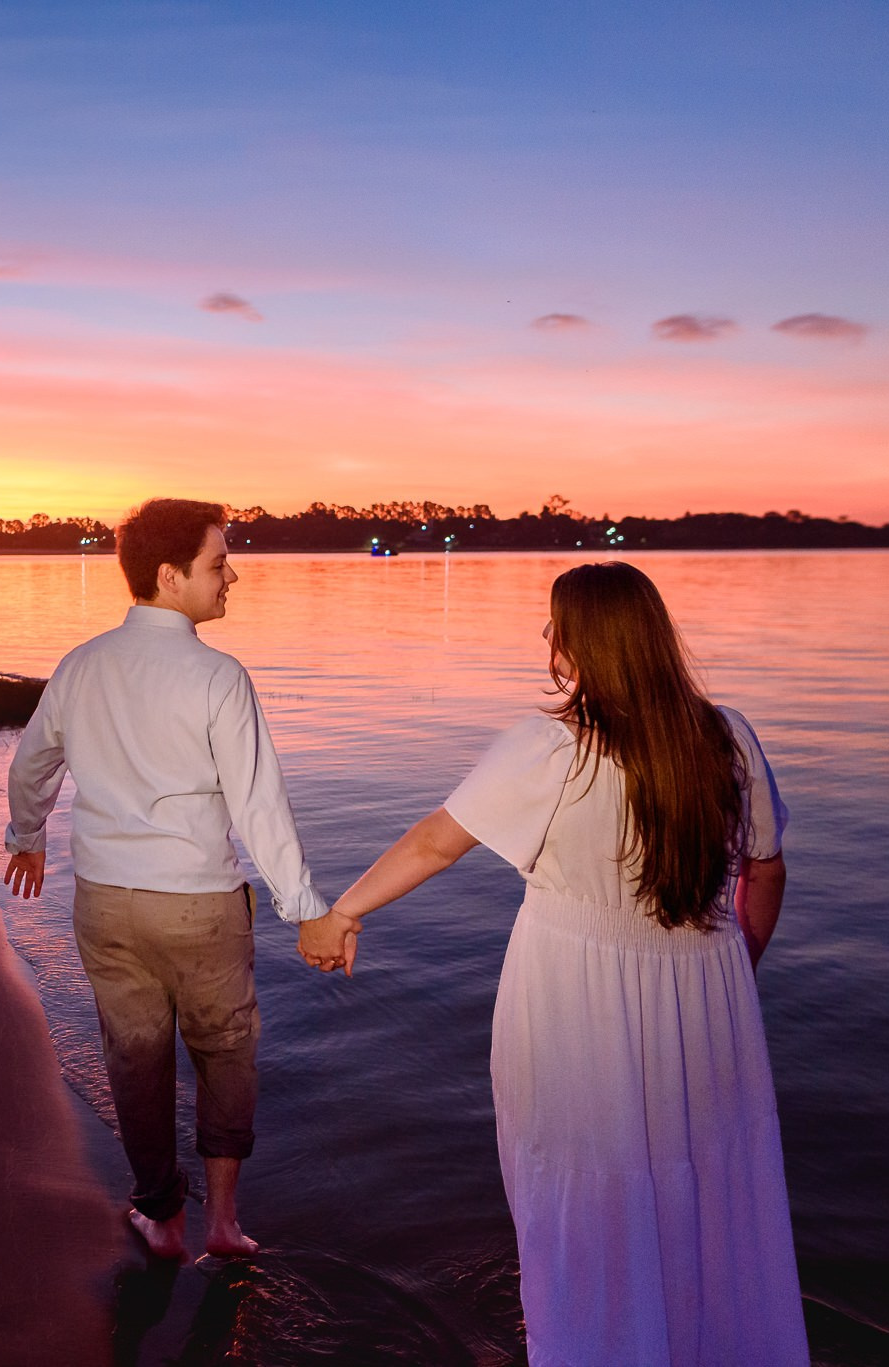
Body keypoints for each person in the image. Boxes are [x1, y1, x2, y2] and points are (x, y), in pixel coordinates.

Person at [308, 561, 809, 1365]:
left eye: (555, 624)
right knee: (707, 1187)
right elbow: (767, 870)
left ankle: (591, 1343)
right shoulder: (730, 736)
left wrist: (343, 911)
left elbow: (438, 842)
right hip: (711, 1010)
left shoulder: (552, 750)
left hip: (579, 1006)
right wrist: (733, 968)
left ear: (588, 642)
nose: (545, 638)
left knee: (581, 1184)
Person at [3, 497, 338, 1260]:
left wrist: (28, 835)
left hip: (107, 904)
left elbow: (32, 765)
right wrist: (306, 910)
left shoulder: (82, 665)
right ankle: (222, 1220)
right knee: (225, 1052)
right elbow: (260, 808)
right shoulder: (219, 677)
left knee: (134, 1054)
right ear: (169, 574)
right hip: (199, 906)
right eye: (219, 564)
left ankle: (161, 1215)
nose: (234, 577)